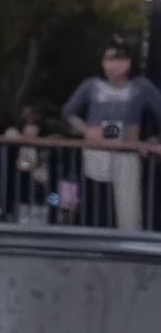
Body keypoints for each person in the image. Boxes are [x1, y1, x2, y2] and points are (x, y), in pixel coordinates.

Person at [63, 41, 161, 233]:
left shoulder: (141, 86)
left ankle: (131, 251)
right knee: (96, 207)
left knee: (129, 213)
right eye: (109, 59)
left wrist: (154, 142)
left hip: (127, 153)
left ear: (130, 61)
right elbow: (68, 112)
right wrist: (87, 131)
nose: (115, 64)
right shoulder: (91, 85)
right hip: (96, 153)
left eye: (121, 58)